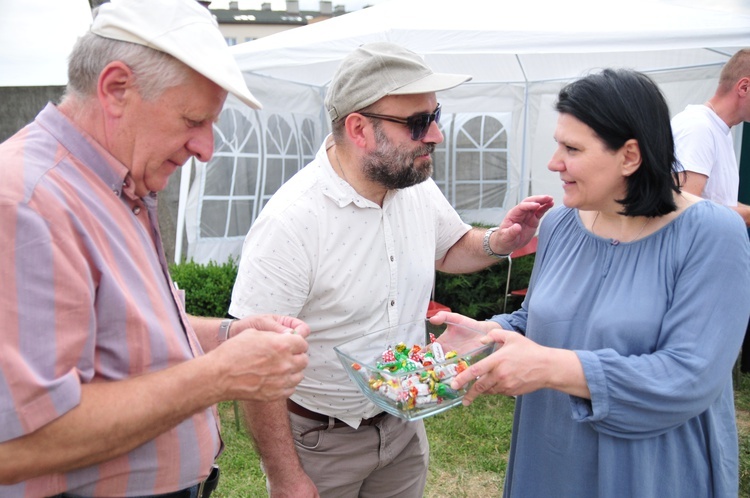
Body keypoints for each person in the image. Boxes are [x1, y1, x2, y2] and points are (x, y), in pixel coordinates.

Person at [0, 0, 310, 496]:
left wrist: (227, 336)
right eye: (193, 120)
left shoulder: (119, 185)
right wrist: (217, 377)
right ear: (117, 89)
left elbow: (123, 333)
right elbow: (18, 440)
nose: (206, 149)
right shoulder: (27, 200)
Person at [228, 42, 554, 497]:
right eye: (419, 123)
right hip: (322, 440)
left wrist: (496, 242)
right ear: (359, 129)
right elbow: (254, 360)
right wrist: (285, 475)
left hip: (402, 423)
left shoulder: (411, 184)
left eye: (436, 114)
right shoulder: (292, 221)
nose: (437, 134)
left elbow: (449, 248)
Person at [436, 68, 750, 497]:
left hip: (652, 469)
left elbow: (690, 376)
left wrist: (550, 367)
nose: (554, 163)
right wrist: (490, 334)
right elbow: (541, 319)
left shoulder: (712, 234)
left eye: (572, 148)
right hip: (553, 456)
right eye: (556, 145)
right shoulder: (563, 222)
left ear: (630, 156)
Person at [671, 48, 750, 373]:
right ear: (744, 87)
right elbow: (685, 210)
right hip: (692, 275)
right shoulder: (698, 128)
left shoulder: (716, 129)